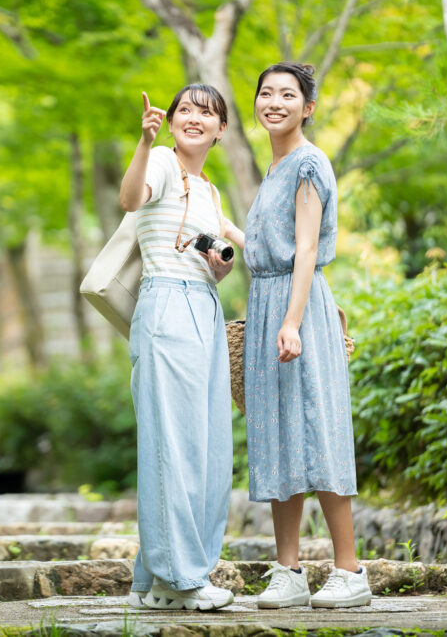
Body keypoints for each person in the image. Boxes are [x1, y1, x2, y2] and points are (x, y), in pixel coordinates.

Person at [243, 61, 372, 609]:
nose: (275, 102)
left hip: (298, 307)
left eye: (287, 95)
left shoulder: (307, 164)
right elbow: (269, 244)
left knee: (319, 429)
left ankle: (350, 571)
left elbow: (308, 249)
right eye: (266, 93)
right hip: (268, 301)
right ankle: (289, 570)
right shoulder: (272, 170)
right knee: (276, 437)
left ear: (308, 107)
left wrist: (292, 320)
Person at [118, 84, 246, 612]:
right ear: (170, 121)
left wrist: (220, 267)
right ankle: (183, 578)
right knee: (173, 443)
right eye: (185, 110)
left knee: (207, 446)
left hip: (204, 308)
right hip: (166, 306)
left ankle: (156, 583)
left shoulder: (210, 192)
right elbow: (130, 201)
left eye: (208, 112)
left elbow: (248, 249)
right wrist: (144, 142)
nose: (195, 118)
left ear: (221, 129)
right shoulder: (164, 162)